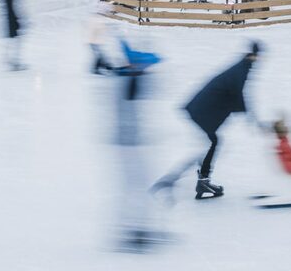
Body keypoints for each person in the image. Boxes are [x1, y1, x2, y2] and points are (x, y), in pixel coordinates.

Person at [155, 43, 264, 200]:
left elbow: (235, 94)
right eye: (258, 56)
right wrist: (251, 119)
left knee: (211, 143)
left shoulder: (241, 67)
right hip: (203, 111)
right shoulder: (241, 70)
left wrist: (248, 116)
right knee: (210, 144)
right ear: (254, 56)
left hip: (202, 110)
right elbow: (237, 94)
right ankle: (177, 179)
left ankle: (200, 180)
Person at [109, 38, 165, 250]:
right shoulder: (128, 80)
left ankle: (133, 228)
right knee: (136, 187)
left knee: (135, 187)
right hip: (128, 144)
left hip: (129, 142)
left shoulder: (127, 78)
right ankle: (132, 230)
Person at [3, 0, 26, 71]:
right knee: (14, 40)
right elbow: (10, 4)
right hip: (11, 19)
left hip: (10, 18)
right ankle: (11, 60)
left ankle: (11, 59)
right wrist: (15, 19)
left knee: (13, 40)